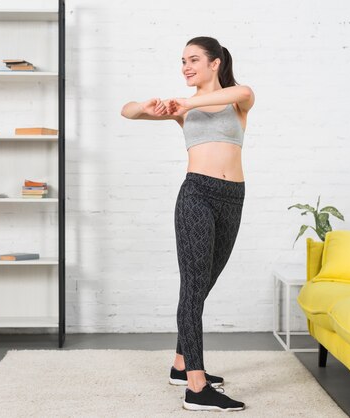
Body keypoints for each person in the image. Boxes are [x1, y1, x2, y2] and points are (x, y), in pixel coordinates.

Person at [120, 36, 254, 412]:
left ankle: (181, 365)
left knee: (204, 284)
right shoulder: (183, 111)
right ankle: (196, 387)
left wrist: (187, 102)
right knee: (193, 288)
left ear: (215, 63)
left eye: (193, 59)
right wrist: (147, 106)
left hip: (233, 198)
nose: (185, 66)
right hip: (196, 194)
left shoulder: (236, 101)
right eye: (182, 61)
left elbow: (242, 90)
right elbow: (127, 112)